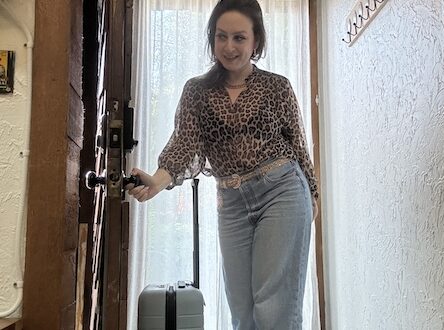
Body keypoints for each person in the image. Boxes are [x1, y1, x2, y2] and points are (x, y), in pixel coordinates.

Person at [127, 0, 319, 328]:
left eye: (239, 38)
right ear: (212, 38)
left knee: (273, 308)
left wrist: (313, 196)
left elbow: (298, 146)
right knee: (242, 310)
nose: (229, 47)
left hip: (282, 192)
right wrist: (155, 183)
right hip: (231, 203)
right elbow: (182, 146)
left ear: (256, 41)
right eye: (221, 36)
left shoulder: (277, 86)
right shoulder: (197, 91)